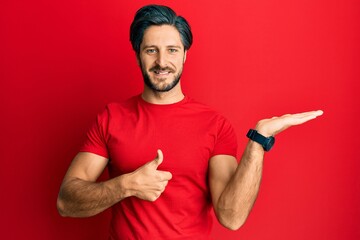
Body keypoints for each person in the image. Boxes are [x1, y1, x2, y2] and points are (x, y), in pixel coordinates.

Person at [57, 4, 323, 240]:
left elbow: (231, 217)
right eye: (151, 50)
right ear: (138, 55)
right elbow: (66, 202)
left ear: (185, 54)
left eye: (172, 50)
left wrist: (258, 141)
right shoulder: (111, 118)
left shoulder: (215, 125)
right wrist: (126, 185)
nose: (162, 62)